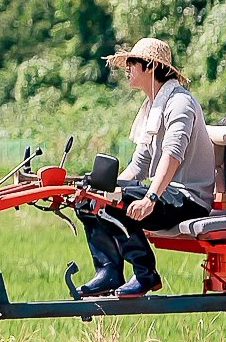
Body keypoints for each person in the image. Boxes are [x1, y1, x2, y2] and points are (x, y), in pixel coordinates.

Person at [76, 37, 215, 298]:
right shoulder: (153, 107)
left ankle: (144, 273)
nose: (127, 68)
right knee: (89, 199)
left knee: (117, 201)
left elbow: (172, 155)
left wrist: (151, 197)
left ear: (150, 66)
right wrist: (101, 188)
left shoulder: (179, 103)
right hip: (165, 193)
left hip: (187, 198)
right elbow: (138, 166)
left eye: (132, 62)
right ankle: (108, 271)